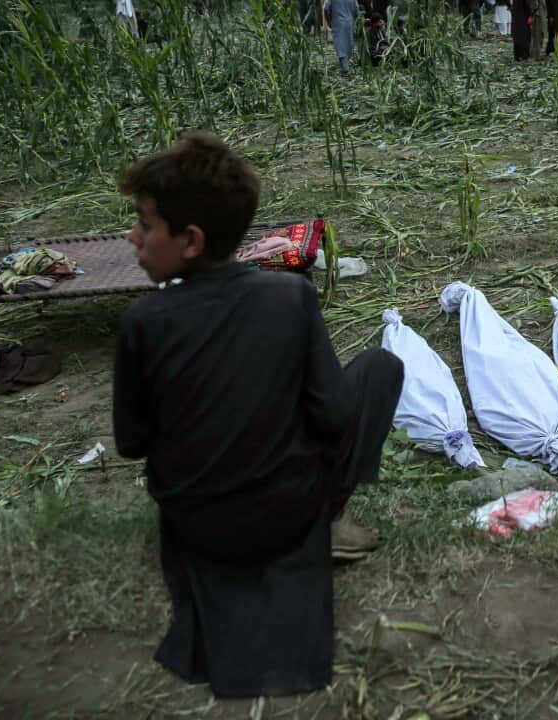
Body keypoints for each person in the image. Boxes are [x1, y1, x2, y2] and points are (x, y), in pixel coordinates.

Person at [113, 132, 404, 697]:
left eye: (145, 225)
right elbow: (335, 413)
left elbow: (132, 442)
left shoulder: (142, 323)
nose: (133, 237)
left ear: (191, 241)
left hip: (196, 530)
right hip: (287, 519)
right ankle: (330, 518)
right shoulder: (289, 297)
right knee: (379, 368)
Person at [325, 0, 360, 74]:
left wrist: (328, 20)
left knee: (340, 44)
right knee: (348, 43)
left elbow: (326, 8)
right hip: (350, 22)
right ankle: (345, 64)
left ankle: (345, 67)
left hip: (338, 22)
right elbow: (357, 11)